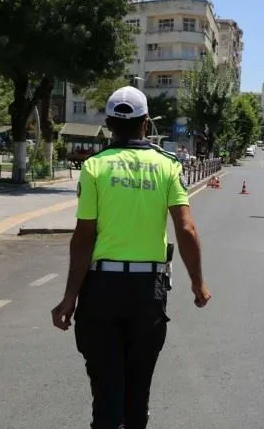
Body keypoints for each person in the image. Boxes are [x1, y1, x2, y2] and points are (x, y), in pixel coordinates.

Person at [51, 86, 211, 429]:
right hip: (147, 292)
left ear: (109, 124)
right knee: (138, 391)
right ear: (146, 123)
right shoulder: (168, 166)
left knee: (107, 394)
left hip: (100, 290)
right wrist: (198, 284)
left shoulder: (94, 167)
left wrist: (69, 297)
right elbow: (186, 229)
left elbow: (83, 237)